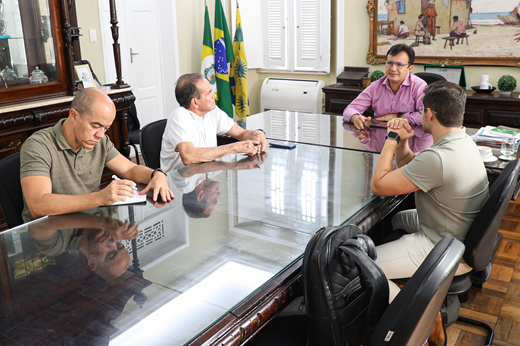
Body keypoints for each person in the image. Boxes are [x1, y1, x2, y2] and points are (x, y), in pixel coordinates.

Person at [370, 81, 489, 344]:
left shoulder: (438, 157)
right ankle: (402, 277)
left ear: (430, 114)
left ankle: (421, 311)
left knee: (364, 268)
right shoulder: (462, 142)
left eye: (422, 110)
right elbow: (416, 169)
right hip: (458, 231)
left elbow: (378, 184)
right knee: (397, 218)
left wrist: (391, 138)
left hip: (441, 247)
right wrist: (403, 145)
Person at [20, 88, 174, 223]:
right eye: (95, 126)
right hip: (50, 236)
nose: (100, 135)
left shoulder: (99, 141)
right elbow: (38, 205)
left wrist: (156, 174)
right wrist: (100, 197)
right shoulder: (38, 146)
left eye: (106, 128)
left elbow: (130, 170)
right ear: (74, 115)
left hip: (88, 224)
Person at [160, 73, 268, 172]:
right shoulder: (179, 116)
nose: (214, 96)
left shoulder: (212, 111)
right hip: (178, 185)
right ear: (195, 102)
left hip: (204, 176)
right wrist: (234, 147)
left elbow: (241, 134)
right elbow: (188, 157)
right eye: (209, 93)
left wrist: (256, 134)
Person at [343, 44, 428, 131]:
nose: (393, 69)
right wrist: (355, 117)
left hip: (411, 138)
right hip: (381, 137)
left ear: (410, 68)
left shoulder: (419, 86)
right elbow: (350, 109)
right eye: (390, 63)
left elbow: (426, 117)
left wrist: (398, 117)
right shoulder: (376, 86)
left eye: (399, 64)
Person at [171, 153, 267, 218]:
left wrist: (236, 166)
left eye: (214, 200)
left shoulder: (184, 185)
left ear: (201, 195)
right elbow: (235, 149)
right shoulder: (214, 172)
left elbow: (188, 169)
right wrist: (256, 157)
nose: (219, 194)